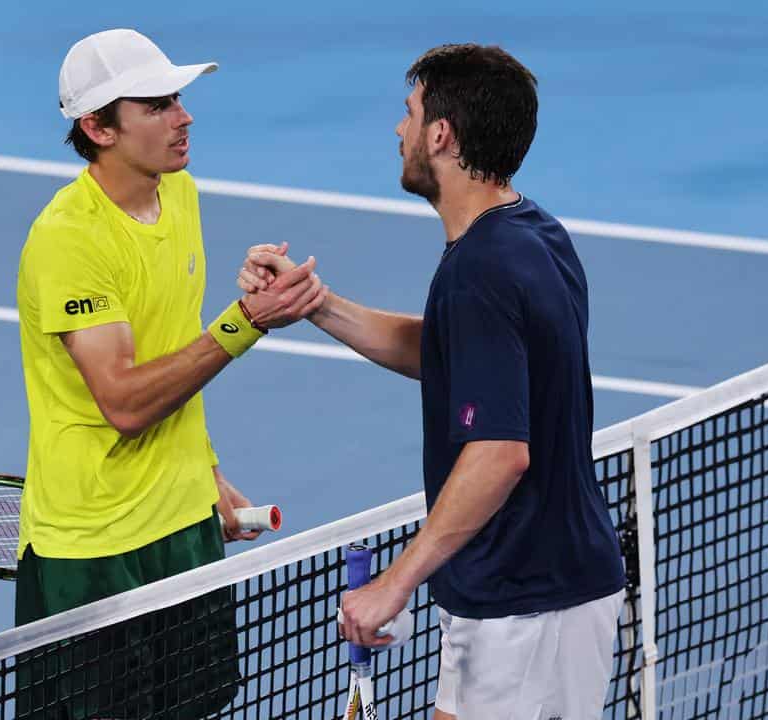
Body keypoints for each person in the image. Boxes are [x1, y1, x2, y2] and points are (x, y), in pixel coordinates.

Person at [240, 44, 626, 719]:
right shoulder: (534, 234)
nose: (399, 130)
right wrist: (318, 304)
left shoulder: (479, 270)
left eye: (409, 113)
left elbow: (501, 453)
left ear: (441, 134)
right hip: (563, 586)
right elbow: (455, 353)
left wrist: (395, 581)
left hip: (518, 605)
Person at [15, 28, 325, 719]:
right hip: (95, 549)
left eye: (177, 98)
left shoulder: (178, 193)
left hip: (182, 525)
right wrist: (245, 321)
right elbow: (125, 401)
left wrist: (203, 473)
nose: (184, 117)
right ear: (98, 127)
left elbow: (171, 352)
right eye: (155, 106)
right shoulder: (70, 240)